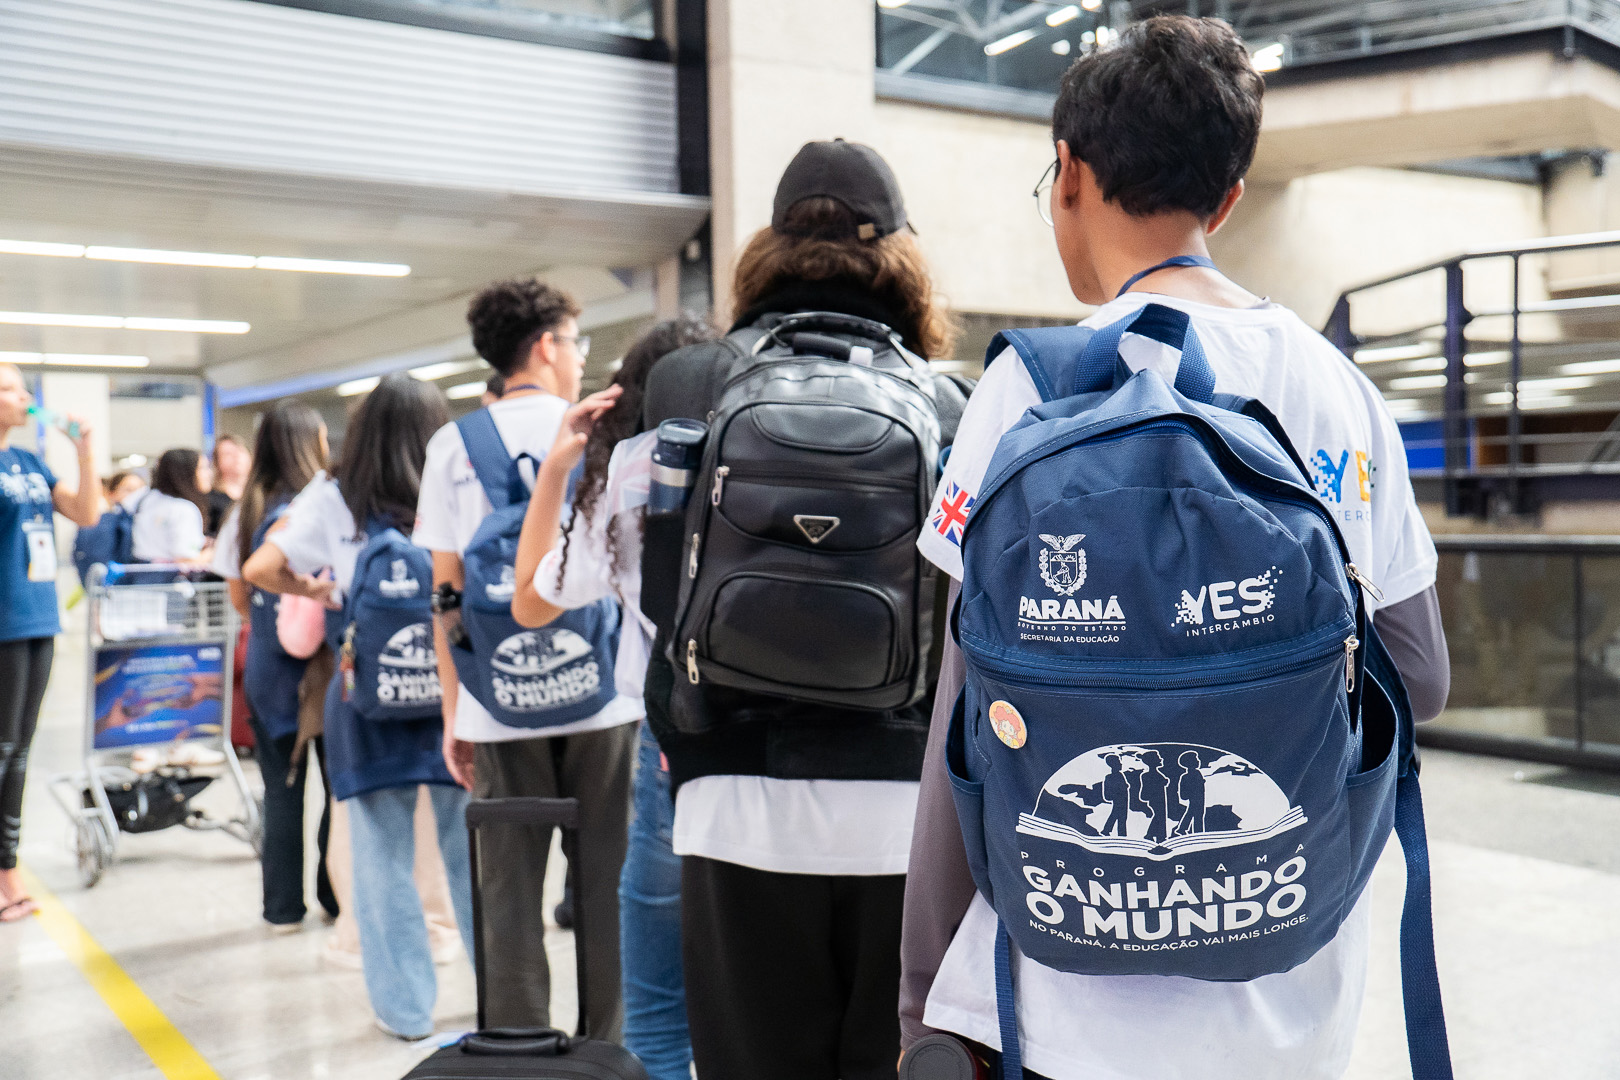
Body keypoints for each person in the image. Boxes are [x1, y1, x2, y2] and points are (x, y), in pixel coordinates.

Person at [899, 17, 1450, 1080]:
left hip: (1057, 1006)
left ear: (1068, 172)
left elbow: (959, 719)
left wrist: (921, 998)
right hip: (1292, 1009)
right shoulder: (1340, 390)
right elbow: (1417, 681)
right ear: (1230, 197)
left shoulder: (1029, 387)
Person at [636, 140, 962, 1080]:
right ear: (902, 254)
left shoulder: (687, 384)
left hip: (730, 800)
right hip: (906, 811)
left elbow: (648, 589)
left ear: (766, 248)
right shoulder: (951, 400)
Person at [418, 278, 638, 1035]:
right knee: (610, 881)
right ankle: (608, 1046)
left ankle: (520, 1049)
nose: (578, 360)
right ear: (546, 345)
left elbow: (445, 595)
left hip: (497, 703)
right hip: (605, 693)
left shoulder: (451, 444)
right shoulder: (603, 430)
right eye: (574, 342)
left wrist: (457, 711)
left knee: (507, 894)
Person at [510, 316, 717, 1080]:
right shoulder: (767, 449)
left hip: (670, 744)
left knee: (658, 1004)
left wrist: (558, 467)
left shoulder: (630, 472)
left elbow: (531, 600)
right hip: (789, 748)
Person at [244, 374, 474, 1040]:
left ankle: (405, 1013)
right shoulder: (457, 482)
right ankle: (504, 1000)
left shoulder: (331, 500)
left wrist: (316, 591)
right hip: (455, 695)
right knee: (474, 854)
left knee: (381, 861)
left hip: (368, 701)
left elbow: (260, 568)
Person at [212, 402, 336, 932]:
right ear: (314, 444)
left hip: (268, 666)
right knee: (340, 786)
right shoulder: (326, 504)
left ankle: (282, 909)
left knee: (280, 790)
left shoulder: (244, 513)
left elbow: (239, 590)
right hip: (326, 670)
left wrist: (271, 629)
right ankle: (336, 896)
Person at [0, 363, 99, 922]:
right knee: (0, 752)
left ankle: (7, 872)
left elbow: (86, 512)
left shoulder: (28, 461)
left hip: (39, 619)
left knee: (18, 754)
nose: (23, 397)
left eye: (22, 387)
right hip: (3, 622)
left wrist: (83, 452)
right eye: (9, 389)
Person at [130, 448, 213, 565]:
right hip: (167, 580)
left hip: (137, 575)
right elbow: (187, 562)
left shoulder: (144, 498)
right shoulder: (184, 509)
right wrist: (214, 552)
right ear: (185, 472)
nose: (209, 473)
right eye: (202, 468)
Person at [208, 434, 251, 536]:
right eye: (228, 454)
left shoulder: (263, 494)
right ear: (217, 462)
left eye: (240, 451)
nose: (237, 456)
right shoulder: (210, 500)